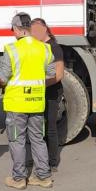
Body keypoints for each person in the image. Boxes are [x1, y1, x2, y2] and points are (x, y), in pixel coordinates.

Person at [0, 13, 55, 190]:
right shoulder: (45, 48)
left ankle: (19, 178)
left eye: (13, 30)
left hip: (16, 104)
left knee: (17, 140)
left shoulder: (12, 49)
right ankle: (43, 177)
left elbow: (3, 78)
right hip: (37, 102)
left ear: (16, 29)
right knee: (38, 139)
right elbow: (51, 74)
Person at [30, 18, 64, 172]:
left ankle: (52, 162)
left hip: (51, 92)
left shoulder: (54, 47)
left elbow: (59, 75)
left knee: (50, 127)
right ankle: (39, 159)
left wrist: (40, 85)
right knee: (36, 128)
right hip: (37, 92)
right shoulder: (37, 47)